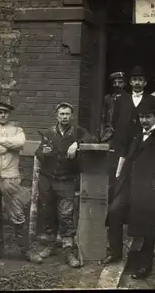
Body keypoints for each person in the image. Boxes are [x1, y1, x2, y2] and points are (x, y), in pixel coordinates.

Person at [99, 99, 155, 280]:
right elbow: (127, 158)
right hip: (129, 186)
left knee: (148, 228)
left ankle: (144, 264)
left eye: (147, 117)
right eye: (141, 117)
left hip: (150, 189)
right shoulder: (136, 135)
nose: (144, 121)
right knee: (115, 212)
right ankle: (115, 251)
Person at [35, 102, 97, 268]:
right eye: (61, 114)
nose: (64, 117)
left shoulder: (78, 131)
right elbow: (38, 153)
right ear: (57, 115)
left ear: (71, 116)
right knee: (48, 213)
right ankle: (50, 245)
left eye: (67, 114)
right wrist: (43, 153)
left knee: (66, 215)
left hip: (67, 180)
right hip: (47, 180)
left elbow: (92, 138)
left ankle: (68, 250)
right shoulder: (48, 133)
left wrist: (78, 144)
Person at [0, 102, 43, 263]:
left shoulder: (17, 130)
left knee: (17, 211)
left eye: (5, 113)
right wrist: (5, 147)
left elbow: (20, 143)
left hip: (10, 176)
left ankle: (25, 251)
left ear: (9, 114)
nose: (2, 115)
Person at [100, 71, 129, 142]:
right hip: (108, 133)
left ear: (125, 84)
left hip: (124, 133)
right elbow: (103, 117)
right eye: (115, 82)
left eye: (120, 82)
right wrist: (102, 132)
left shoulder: (129, 98)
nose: (117, 85)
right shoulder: (108, 98)